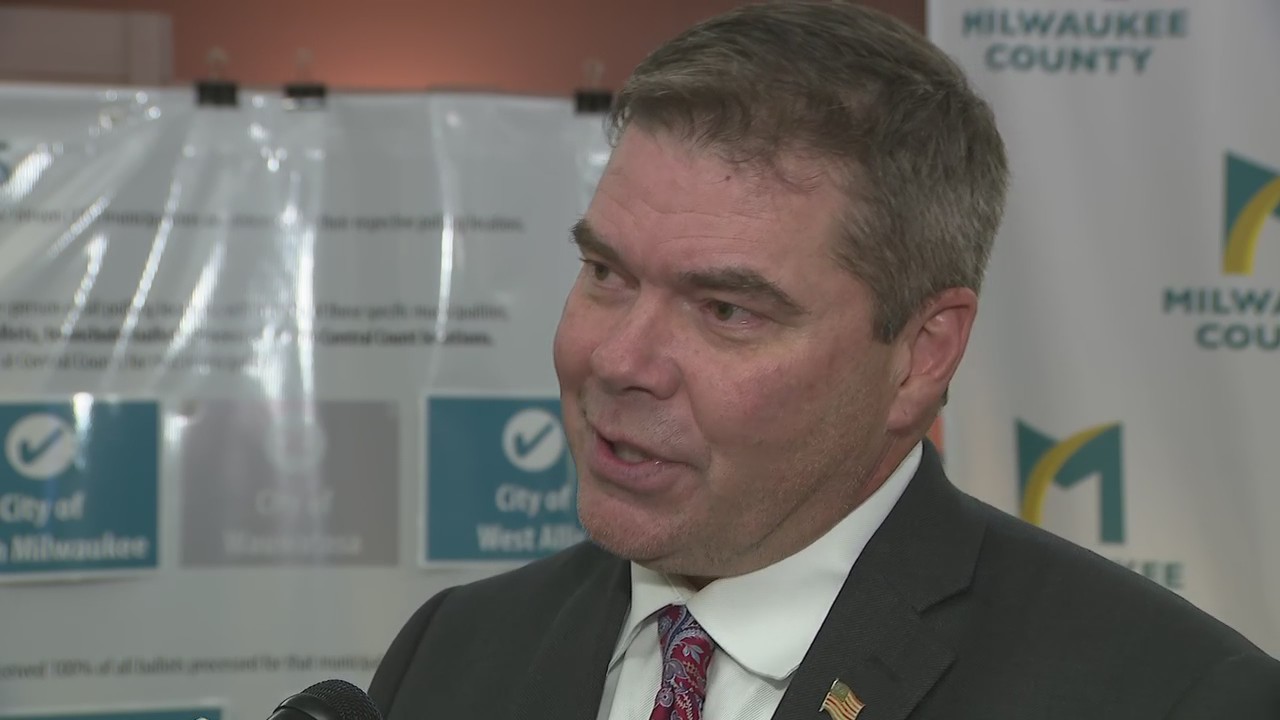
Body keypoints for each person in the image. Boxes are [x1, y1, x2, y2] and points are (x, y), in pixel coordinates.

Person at [368, 2, 1280, 718]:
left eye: (725, 310)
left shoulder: (1169, 697)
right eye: (606, 273)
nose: (618, 358)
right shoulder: (450, 653)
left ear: (921, 356)